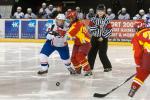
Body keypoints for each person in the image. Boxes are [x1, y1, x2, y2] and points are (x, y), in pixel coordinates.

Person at [128, 19, 150, 97]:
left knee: (142, 74)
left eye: (136, 28)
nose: (135, 29)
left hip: (148, 56)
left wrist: (138, 64)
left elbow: (137, 53)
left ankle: (133, 90)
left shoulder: (137, 36)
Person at [66, 11, 92, 76]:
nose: (70, 19)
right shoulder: (74, 24)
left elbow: (67, 35)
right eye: (69, 18)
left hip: (85, 42)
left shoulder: (77, 24)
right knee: (73, 58)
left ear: (75, 17)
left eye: (72, 17)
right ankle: (78, 69)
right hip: (77, 43)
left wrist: (58, 33)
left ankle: (88, 70)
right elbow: (72, 35)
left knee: (80, 56)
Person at [88, 4, 112, 72]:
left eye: (102, 11)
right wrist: (98, 27)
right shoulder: (93, 19)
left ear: (104, 12)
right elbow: (90, 29)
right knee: (91, 53)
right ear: (96, 11)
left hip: (103, 39)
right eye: (99, 11)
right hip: (94, 38)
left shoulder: (107, 19)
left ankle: (107, 67)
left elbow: (109, 30)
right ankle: (90, 66)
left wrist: (103, 37)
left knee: (102, 53)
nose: (100, 12)